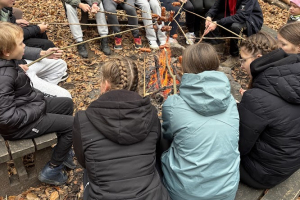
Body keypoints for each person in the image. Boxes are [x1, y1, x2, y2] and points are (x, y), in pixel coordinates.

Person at [73, 57, 170, 200]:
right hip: (152, 197)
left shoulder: (83, 119)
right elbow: (158, 151)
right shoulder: (151, 114)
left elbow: (83, 161)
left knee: (89, 171)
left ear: (106, 85)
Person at [161, 43, 239, 200]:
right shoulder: (230, 100)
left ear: (185, 68)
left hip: (185, 194)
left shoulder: (173, 104)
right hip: (226, 191)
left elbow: (167, 136)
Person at [0, 22, 74, 186]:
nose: (24, 45)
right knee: (73, 125)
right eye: (20, 43)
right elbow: (6, 119)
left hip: (26, 109)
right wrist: (38, 107)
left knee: (67, 104)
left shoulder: (10, 63)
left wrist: (36, 100)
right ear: (6, 52)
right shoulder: (3, 76)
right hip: (18, 127)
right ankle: (52, 170)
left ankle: (63, 151)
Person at [238, 32, 300, 189]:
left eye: (243, 60)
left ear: (258, 58)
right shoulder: (292, 76)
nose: (240, 65)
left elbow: (238, 147)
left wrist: (247, 106)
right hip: (288, 163)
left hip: (261, 174)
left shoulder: (257, 98)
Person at [0, 0, 70, 98]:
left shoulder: (5, 10)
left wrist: (42, 54)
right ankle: (34, 95)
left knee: (60, 65)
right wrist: (17, 69)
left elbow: (16, 44)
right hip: (13, 73)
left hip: (19, 64)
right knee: (66, 97)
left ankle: (40, 94)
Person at [204, 0, 263, 68]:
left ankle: (235, 56)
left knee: (235, 26)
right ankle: (218, 43)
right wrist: (209, 16)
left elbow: (241, 16)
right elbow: (217, 5)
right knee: (215, 16)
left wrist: (217, 23)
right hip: (234, 13)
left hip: (251, 19)